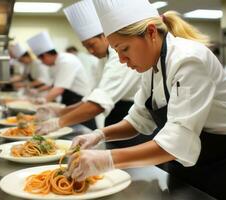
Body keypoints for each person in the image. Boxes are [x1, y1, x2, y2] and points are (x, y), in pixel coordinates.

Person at [66, 0, 226, 199]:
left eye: (124, 49)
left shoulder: (189, 60)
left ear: (152, 33)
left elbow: (177, 142)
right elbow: (138, 120)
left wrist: (108, 159)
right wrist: (99, 135)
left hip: (220, 163)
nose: (121, 59)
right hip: (183, 163)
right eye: (116, 52)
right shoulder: (151, 65)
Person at [35, 0, 147, 149]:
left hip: (134, 122)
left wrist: (58, 122)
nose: (90, 51)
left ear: (104, 36)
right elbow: (93, 96)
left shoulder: (119, 56)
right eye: (86, 47)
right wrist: (60, 111)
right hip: (118, 119)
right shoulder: (104, 59)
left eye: (91, 45)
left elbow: (98, 104)